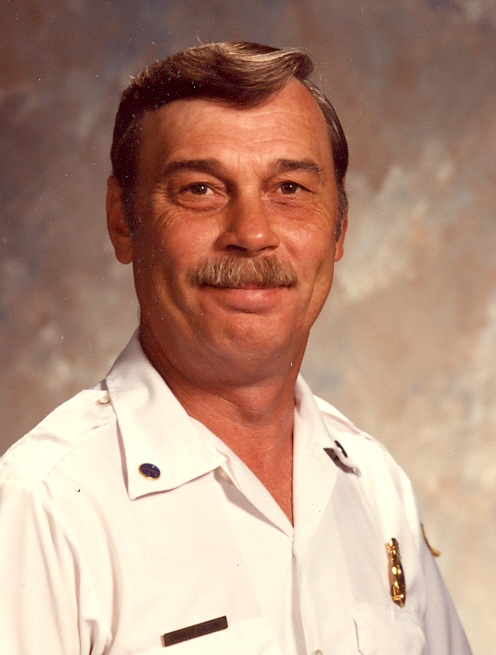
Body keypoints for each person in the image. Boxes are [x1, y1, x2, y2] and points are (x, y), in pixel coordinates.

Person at [0, 42, 471, 655]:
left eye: (290, 188)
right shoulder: (43, 508)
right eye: (201, 189)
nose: (251, 233)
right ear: (123, 220)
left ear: (340, 227)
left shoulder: (377, 487)